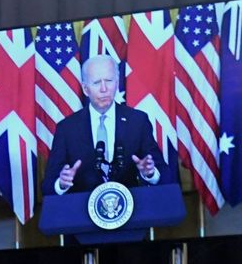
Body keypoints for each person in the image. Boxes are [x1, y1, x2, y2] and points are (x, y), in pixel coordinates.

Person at [41, 54, 170, 195]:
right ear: (85, 89)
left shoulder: (138, 121)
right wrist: (61, 183)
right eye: (96, 83)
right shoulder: (67, 129)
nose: (104, 89)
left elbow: (165, 174)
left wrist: (150, 173)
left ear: (117, 82)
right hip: (82, 211)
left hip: (129, 207)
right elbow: (48, 186)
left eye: (109, 80)